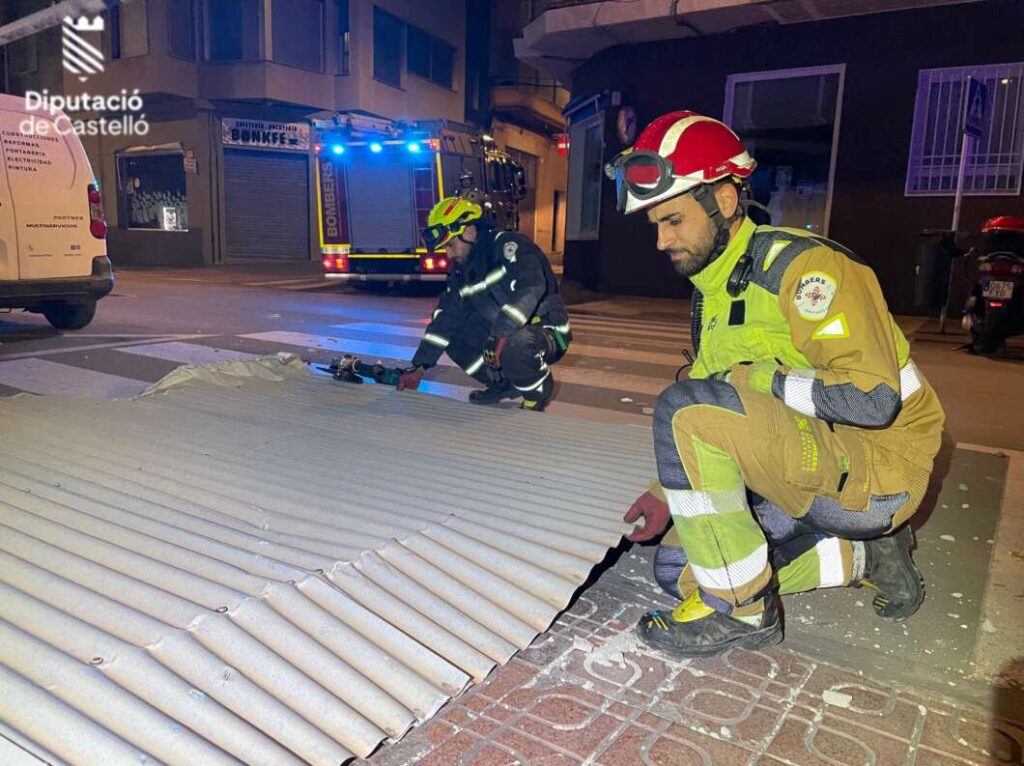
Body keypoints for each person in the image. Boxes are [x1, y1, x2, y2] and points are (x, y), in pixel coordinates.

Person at [608, 111, 946, 657]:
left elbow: (873, 398)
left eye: (672, 221)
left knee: (682, 409)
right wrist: (663, 491)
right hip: (811, 454)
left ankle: (745, 611)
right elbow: (719, 414)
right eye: (654, 225)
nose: (660, 240)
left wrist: (764, 378)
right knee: (679, 568)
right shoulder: (715, 291)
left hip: (880, 466)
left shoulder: (804, 270)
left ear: (722, 200)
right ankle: (868, 558)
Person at [398, 193, 572, 411]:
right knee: (452, 334)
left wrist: (500, 333)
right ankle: (502, 383)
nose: (448, 254)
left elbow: (531, 288)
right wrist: (419, 367)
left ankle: (537, 391)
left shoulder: (508, 246)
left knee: (514, 343)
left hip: (547, 330)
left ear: (469, 231)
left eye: (451, 245)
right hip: (502, 332)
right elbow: (445, 318)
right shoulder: (462, 271)